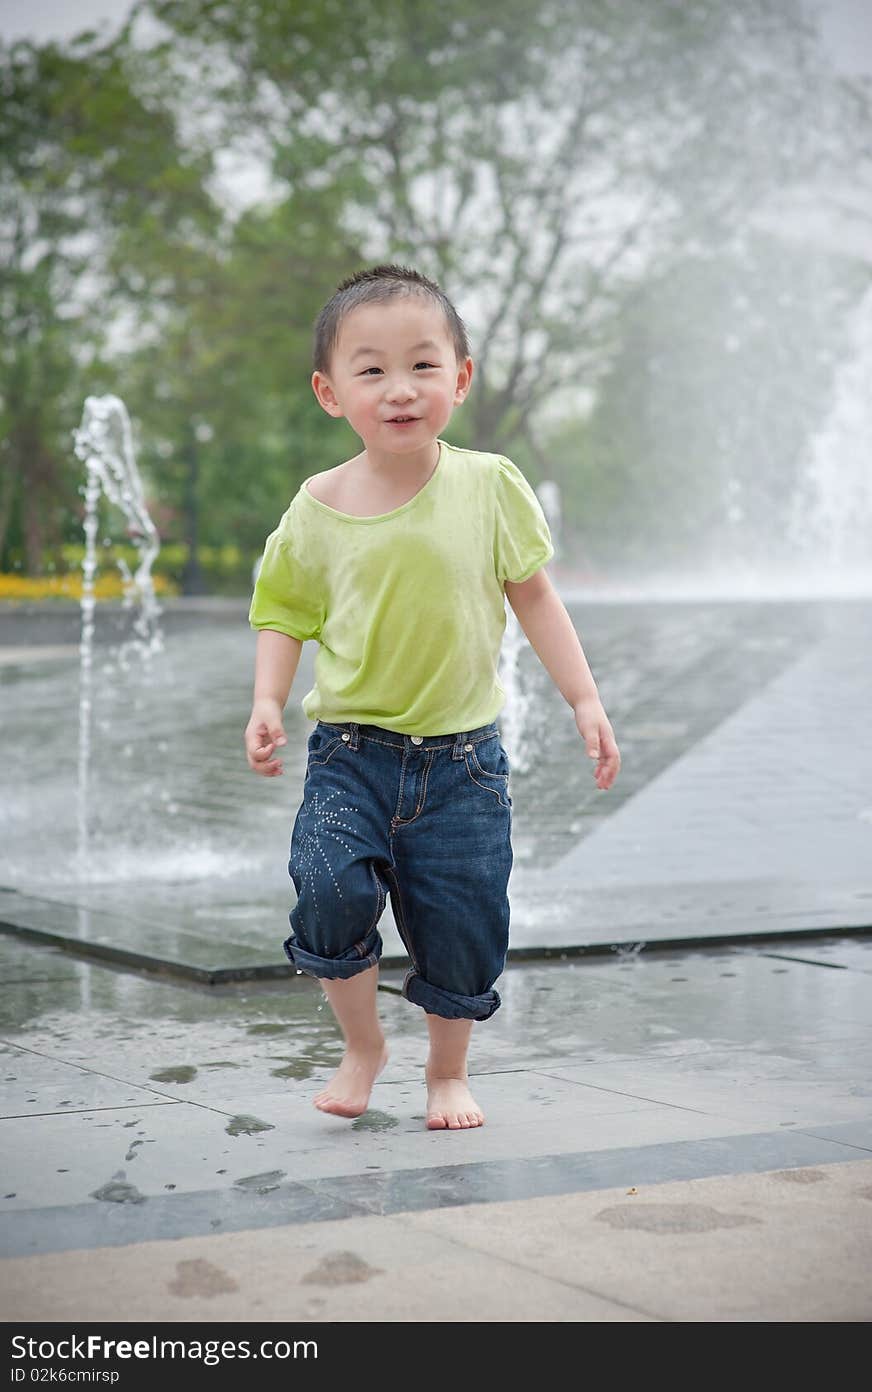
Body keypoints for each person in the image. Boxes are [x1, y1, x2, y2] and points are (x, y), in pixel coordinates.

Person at [245, 264, 620, 1131]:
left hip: (464, 765)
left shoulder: (489, 484)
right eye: (370, 370)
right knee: (326, 887)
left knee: (465, 922)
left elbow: (534, 595)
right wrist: (269, 699)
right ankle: (363, 1043)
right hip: (351, 755)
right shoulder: (318, 507)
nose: (400, 389)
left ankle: (447, 1072)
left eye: (422, 365)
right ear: (330, 392)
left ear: (461, 376)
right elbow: (283, 613)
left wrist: (585, 701)